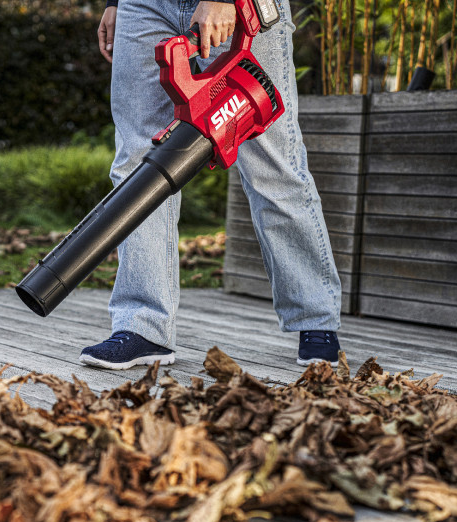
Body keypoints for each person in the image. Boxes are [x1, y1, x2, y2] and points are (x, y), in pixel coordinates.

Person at [78, 0, 343, 371]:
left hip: (238, 5)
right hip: (144, 6)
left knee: (272, 164)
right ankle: (142, 326)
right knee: (138, 163)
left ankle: (316, 319)